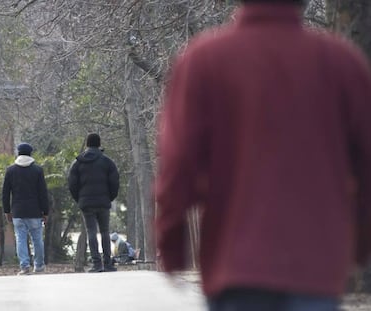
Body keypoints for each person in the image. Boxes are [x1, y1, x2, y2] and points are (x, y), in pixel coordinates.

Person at [154, 0, 371, 310]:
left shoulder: (204, 61)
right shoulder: (341, 63)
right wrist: (359, 245)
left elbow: (177, 165)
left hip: (236, 265)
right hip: (316, 267)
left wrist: (172, 246)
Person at [68, 133, 120, 272]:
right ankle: (108, 263)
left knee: (91, 231)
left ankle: (97, 264)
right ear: (99, 144)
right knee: (105, 232)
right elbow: (114, 182)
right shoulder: (107, 162)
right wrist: (110, 197)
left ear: (87, 144)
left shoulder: (78, 162)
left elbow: (72, 184)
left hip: (86, 203)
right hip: (103, 202)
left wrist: (79, 199)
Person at [2, 142, 49, 275]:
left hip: (18, 211)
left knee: (21, 239)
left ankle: (24, 267)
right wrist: (45, 212)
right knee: (37, 239)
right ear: (30, 153)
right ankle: (39, 266)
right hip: (35, 211)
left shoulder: (10, 170)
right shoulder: (37, 170)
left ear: (18, 153)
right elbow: (43, 193)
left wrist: (7, 211)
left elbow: (5, 193)